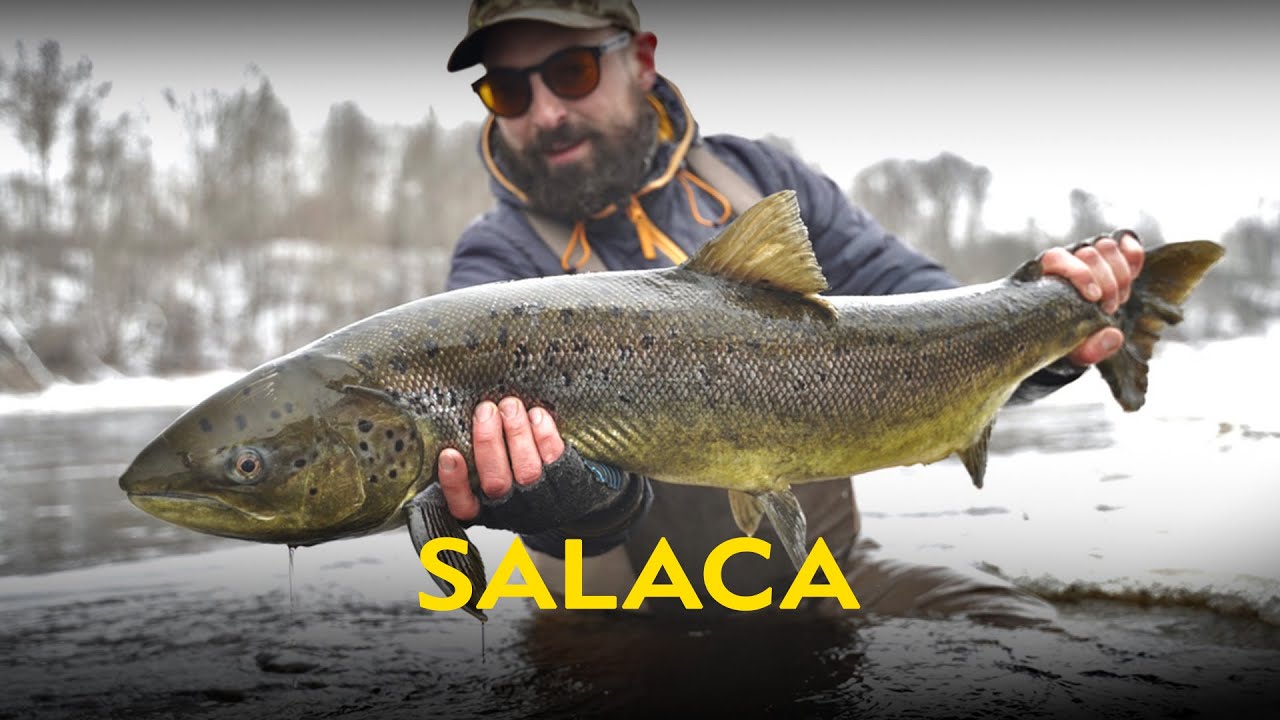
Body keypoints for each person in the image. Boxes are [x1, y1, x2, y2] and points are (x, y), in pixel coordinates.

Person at [436, 0, 1144, 625]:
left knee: (1015, 629)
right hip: (621, 615)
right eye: (507, 90)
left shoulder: (760, 181)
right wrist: (568, 508)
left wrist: (1048, 326)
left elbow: (926, 317)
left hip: (820, 575)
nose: (546, 113)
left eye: (571, 74)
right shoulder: (496, 264)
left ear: (642, 61)